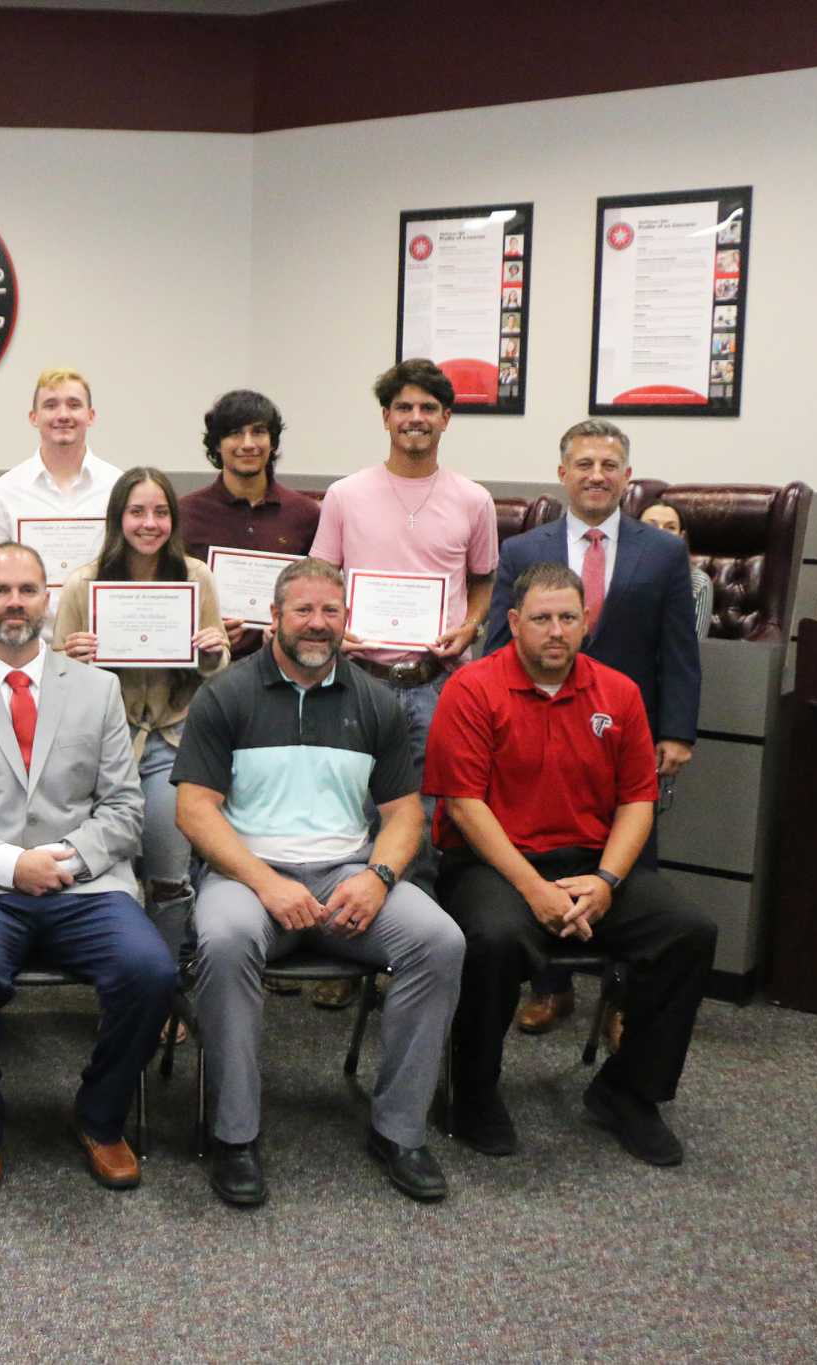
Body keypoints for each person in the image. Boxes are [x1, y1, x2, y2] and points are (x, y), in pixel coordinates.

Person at [172, 559, 463, 1206]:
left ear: (345, 620)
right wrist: (265, 881)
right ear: (275, 617)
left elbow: (402, 815)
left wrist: (380, 877)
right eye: (302, 610)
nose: (316, 623)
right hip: (247, 877)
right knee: (221, 940)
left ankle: (399, 1129)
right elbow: (194, 809)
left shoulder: (376, 701)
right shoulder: (227, 694)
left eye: (330, 611)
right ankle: (236, 1135)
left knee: (438, 940)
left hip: (348, 878)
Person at [0, 542, 178, 1197]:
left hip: (82, 881)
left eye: (28, 589)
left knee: (152, 970)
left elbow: (123, 806)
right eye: (1, 590)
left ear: (47, 599)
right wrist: (9, 864)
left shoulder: (98, 688)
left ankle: (101, 1115)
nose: (15, 602)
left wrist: (66, 860)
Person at [426, 563, 717, 1166]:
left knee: (688, 932)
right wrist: (534, 889)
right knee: (494, 937)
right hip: (492, 862)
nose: (555, 631)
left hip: (590, 862)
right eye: (540, 619)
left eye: (568, 618)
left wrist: (609, 881)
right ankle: (472, 1091)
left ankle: (627, 1092)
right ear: (513, 623)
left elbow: (638, 800)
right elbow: (464, 805)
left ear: (589, 622)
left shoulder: (619, 692)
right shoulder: (472, 688)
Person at [486, 420, 701, 1034]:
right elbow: (500, 646)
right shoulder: (524, 551)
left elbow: (678, 649)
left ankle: (623, 998)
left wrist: (678, 730)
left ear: (627, 477)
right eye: (584, 464)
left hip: (629, 738)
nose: (597, 475)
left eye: (609, 465)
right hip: (540, 732)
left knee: (632, 866)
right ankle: (551, 989)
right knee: (544, 848)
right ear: (562, 475)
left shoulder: (661, 552)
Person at [305, 358, 497, 1007]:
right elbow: (320, 577)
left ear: (446, 418)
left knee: (423, 821)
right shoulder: (345, 494)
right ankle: (344, 948)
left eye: (428, 408)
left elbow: (483, 581)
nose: (415, 418)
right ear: (386, 416)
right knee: (348, 817)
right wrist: (336, 629)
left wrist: (469, 628)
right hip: (357, 678)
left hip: (435, 683)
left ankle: (407, 959)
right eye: (403, 407)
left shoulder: (473, 500)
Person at [53, 467, 230, 994]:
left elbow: (215, 671)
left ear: (172, 520)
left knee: (170, 877)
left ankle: (167, 987)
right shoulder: (83, 584)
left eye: (159, 512)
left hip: (173, 743)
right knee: (109, 877)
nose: (148, 523)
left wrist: (212, 652)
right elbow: (56, 677)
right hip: (103, 750)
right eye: (137, 512)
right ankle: (122, 984)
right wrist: (72, 658)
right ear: (118, 518)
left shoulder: (196, 577)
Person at [178, 389, 323, 658]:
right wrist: (204, 626)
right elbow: (170, 595)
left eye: (258, 432)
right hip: (208, 671)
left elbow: (318, 593)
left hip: (285, 669)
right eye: (235, 433)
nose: (248, 443)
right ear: (217, 444)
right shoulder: (185, 513)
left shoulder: (305, 514)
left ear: (273, 442)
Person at [0, 367, 121, 545]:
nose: (63, 415)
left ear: (90, 416)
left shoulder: (118, 487)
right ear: (34, 417)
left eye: (74, 405)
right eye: (51, 406)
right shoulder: (2, 493)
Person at [639, 500, 715, 639]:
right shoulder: (615, 573)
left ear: (681, 537)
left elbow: (694, 647)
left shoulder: (697, 583)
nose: (660, 533)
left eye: (670, 527)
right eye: (651, 525)